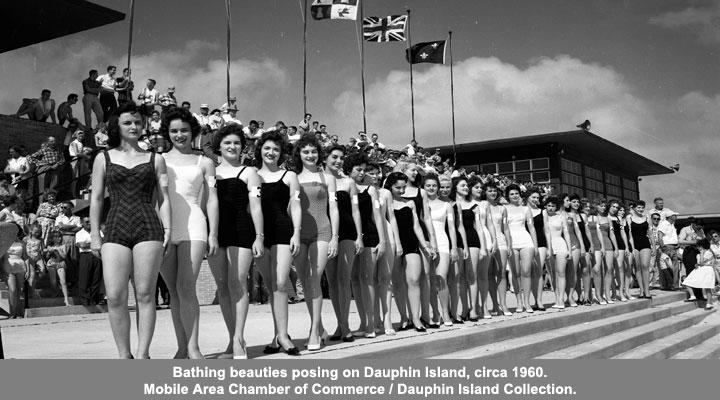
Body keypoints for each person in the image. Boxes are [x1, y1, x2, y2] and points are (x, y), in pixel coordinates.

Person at [89, 101, 171, 359]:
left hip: (148, 226)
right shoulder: (103, 157)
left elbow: (164, 198)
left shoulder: (155, 158)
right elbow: (97, 199)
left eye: (137, 122)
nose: (134, 126)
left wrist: (168, 228)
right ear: (117, 126)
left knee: (145, 293)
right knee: (114, 296)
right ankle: (124, 355)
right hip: (115, 226)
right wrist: (93, 233)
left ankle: (143, 353)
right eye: (128, 122)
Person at [159, 107, 219, 359]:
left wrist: (213, 233)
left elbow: (212, 200)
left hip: (194, 225)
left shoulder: (204, 162)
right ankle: (182, 346)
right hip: (164, 228)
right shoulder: (158, 159)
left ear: (193, 131)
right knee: (173, 291)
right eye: (174, 131)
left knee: (186, 287)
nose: (179, 135)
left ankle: (193, 347)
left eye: (184, 130)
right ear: (167, 133)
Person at [253, 131, 301, 356]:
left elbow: (296, 205)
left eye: (276, 149)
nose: (271, 153)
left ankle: (283, 335)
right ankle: (277, 336)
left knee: (281, 282)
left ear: (281, 153)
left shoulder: (289, 176)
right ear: (260, 149)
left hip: (283, 230)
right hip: (260, 233)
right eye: (267, 148)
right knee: (271, 285)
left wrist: (296, 233)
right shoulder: (252, 175)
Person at [293, 134, 338, 350]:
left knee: (314, 279)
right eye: (306, 152)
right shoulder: (292, 177)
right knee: (304, 279)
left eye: (313, 151)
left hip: (322, 230)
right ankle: (319, 327)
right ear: (299, 155)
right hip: (300, 233)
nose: (310, 155)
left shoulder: (327, 178)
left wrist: (335, 237)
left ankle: (313, 332)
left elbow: (334, 209)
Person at [324, 145, 364, 341]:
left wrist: (359, 236)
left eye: (341, 158)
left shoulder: (349, 182)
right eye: (334, 157)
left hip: (347, 232)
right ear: (325, 157)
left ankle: (346, 325)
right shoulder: (318, 180)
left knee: (343, 278)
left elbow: (356, 211)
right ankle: (340, 324)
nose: (338, 161)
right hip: (325, 232)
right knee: (332, 281)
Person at [386, 172, 435, 331]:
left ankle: (416, 318)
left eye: (403, 187)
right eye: (397, 188)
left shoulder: (411, 203)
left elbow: (417, 226)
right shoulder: (386, 203)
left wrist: (425, 244)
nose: (401, 191)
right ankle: (403, 318)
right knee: (398, 283)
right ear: (390, 186)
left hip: (411, 242)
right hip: (393, 244)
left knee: (414, 279)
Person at [425, 174, 458, 325]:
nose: (431, 188)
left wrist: (454, 248)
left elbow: (451, 228)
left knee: (441, 278)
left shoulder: (447, 205)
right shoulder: (421, 204)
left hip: (443, 243)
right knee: (430, 280)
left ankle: (446, 312)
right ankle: (435, 313)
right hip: (426, 244)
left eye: (434, 185)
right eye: (428, 185)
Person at [505, 184, 539, 313]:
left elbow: (531, 228)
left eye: (517, 193)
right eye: (512, 194)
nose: (515, 196)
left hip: (526, 241)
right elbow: (505, 228)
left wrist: (535, 246)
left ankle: (527, 302)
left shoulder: (526, 209)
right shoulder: (504, 209)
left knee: (526, 271)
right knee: (516, 272)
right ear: (508, 196)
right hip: (512, 242)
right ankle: (519, 301)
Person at [545, 197, 572, 308]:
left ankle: (561, 299)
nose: (550, 208)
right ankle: (556, 299)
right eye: (548, 205)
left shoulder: (561, 217)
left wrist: (569, 249)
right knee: (552, 274)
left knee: (561, 273)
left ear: (556, 207)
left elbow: (566, 233)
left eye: (553, 206)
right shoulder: (543, 217)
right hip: (548, 246)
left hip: (560, 245)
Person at [527, 189, 549, 309]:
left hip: (541, 243)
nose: (536, 200)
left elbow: (547, 230)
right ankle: (528, 301)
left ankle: (539, 301)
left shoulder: (543, 212)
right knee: (527, 272)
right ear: (527, 197)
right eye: (533, 197)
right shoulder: (523, 210)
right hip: (526, 242)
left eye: (537, 198)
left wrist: (549, 247)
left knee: (538, 272)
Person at [75, 216, 103, 306]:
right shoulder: (79, 233)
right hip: (85, 256)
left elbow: (102, 242)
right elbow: (82, 245)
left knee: (96, 278)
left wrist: (89, 243)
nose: (89, 223)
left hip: (97, 255)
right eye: (87, 222)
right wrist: (95, 242)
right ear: (82, 223)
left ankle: (94, 300)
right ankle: (85, 300)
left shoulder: (98, 232)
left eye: (90, 222)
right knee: (85, 278)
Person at [682, 239, 716, 309]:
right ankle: (692, 296)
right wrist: (697, 264)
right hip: (700, 270)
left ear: (702, 246)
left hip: (707, 270)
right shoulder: (698, 254)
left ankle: (709, 303)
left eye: (699, 246)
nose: (697, 248)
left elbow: (702, 261)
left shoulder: (708, 253)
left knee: (707, 287)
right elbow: (699, 263)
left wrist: (702, 254)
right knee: (687, 281)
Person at [3, 223, 28, 318]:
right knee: (12, 290)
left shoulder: (22, 243)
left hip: (21, 267)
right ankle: (12, 313)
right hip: (8, 267)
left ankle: (18, 313)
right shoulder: (4, 242)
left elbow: (25, 257)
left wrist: (28, 270)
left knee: (19, 290)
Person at [628, 201, 653, 299]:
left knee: (645, 266)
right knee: (637, 267)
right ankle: (642, 290)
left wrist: (654, 247)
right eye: (638, 207)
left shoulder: (647, 218)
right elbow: (629, 234)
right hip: (634, 244)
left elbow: (650, 234)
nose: (641, 209)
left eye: (642, 207)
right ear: (634, 208)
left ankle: (647, 291)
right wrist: (631, 247)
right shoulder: (629, 218)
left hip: (645, 243)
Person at [44, 230, 71, 306]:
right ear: (52, 238)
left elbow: (64, 256)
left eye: (59, 237)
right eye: (56, 237)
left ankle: (66, 299)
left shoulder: (63, 246)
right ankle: (55, 293)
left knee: (63, 281)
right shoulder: (49, 246)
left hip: (60, 263)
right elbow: (47, 257)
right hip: (52, 263)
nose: (58, 239)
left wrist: (59, 250)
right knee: (53, 282)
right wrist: (49, 251)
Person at [69, 131, 91, 197]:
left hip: (81, 160)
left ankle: (78, 192)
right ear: (76, 136)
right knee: (75, 178)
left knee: (81, 177)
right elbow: (77, 153)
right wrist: (86, 156)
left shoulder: (80, 143)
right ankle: (73, 194)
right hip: (76, 160)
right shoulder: (74, 143)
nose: (81, 137)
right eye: (79, 136)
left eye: (82, 136)